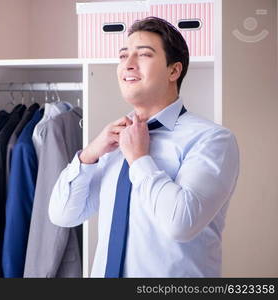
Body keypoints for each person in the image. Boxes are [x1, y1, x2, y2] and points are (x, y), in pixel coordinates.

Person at [48, 17, 239, 277]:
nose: (128, 64)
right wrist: (89, 154)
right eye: (123, 55)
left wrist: (139, 159)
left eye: (144, 54)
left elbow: (180, 224)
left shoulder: (212, 140)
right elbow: (62, 215)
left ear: (174, 71)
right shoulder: (112, 142)